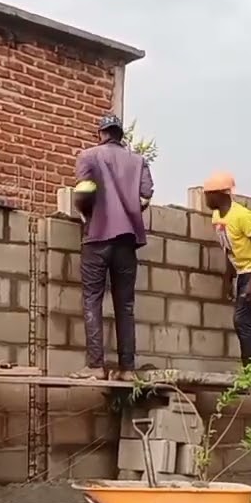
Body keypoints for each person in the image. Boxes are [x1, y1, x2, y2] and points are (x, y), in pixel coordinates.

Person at [70, 114, 154, 380]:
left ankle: (96, 365)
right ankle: (127, 369)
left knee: (92, 299)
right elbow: (146, 195)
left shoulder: (88, 156)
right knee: (125, 304)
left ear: (101, 133)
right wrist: (130, 208)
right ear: (120, 134)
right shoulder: (138, 161)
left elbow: (83, 191)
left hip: (97, 236)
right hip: (127, 240)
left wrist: (87, 214)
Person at [202, 172, 251, 385]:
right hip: (244, 270)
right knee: (245, 321)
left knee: (243, 320)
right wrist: (228, 277)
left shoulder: (242, 215)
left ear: (219, 195)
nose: (205, 200)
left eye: (207, 195)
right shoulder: (217, 217)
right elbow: (229, 248)